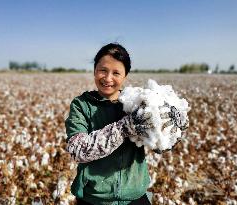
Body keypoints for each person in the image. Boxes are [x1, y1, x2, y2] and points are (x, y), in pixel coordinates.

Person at [65, 43, 186, 205]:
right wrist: (124, 127)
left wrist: (173, 129)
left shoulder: (137, 103)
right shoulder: (82, 105)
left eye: (116, 73)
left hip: (134, 197)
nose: (108, 78)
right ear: (94, 70)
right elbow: (78, 150)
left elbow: (160, 147)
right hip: (94, 198)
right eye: (103, 70)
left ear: (125, 76)